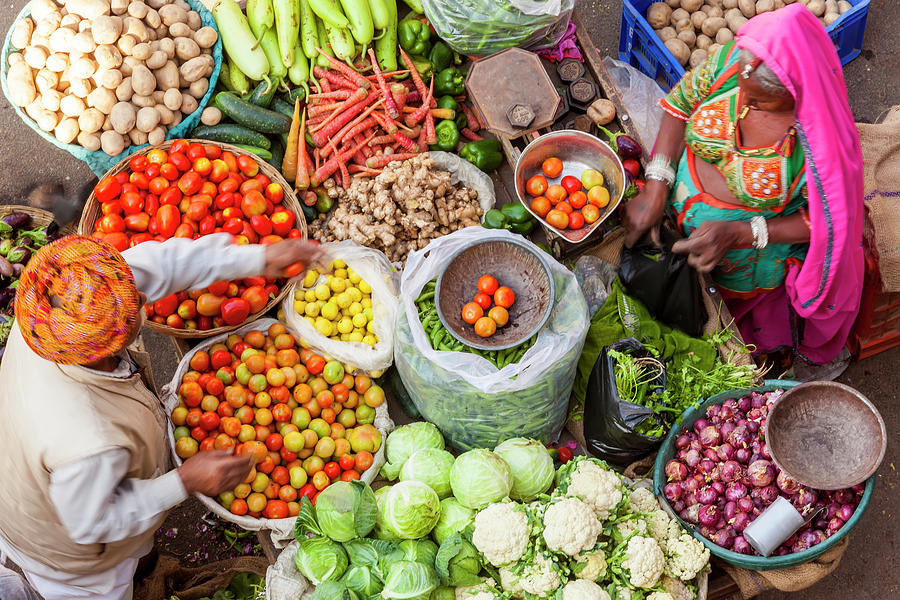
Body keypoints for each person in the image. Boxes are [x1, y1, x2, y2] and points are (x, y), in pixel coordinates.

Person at [0, 232, 328, 600]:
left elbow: (159, 264)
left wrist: (259, 259)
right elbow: (93, 523)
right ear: (108, 348)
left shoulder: (58, 315)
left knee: (135, 554)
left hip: (33, 470)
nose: (142, 297)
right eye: (135, 304)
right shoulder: (86, 435)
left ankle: (144, 566)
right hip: (64, 551)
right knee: (110, 588)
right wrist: (184, 481)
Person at [623, 4, 864, 377]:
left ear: (798, 97)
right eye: (743, 91)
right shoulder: (739, 59)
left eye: (763, 103)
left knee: (737, 327)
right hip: (678, 213)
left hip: (746, 260)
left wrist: (742, 232)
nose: (745, 107)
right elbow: (680, 105)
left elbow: (829, 224)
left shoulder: (821, 148)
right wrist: (657, 184)